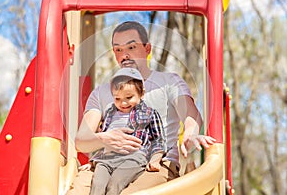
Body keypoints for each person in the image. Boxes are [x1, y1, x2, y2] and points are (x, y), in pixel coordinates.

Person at [67, 21, 216, 195]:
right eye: (118, 50)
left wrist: (191, 133)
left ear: (147, 49)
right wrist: (104, 138)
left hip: (154, 165)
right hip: (106, 163)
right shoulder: (101, 92)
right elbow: (81, 141)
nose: (125, 55)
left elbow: (190, 113)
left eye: (131, 47)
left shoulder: (168, 82)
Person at [88, 67, 166, 195]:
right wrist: (93, 161)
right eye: (117, 98)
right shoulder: (110, 113)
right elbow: (106, 139)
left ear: (141, 94)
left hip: (133, 157)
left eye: (129, 97)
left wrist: (155, 159)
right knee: (97, 184)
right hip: (107, 159)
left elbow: (158, 140)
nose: (123, 103)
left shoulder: (149, 113)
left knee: (115, 184)